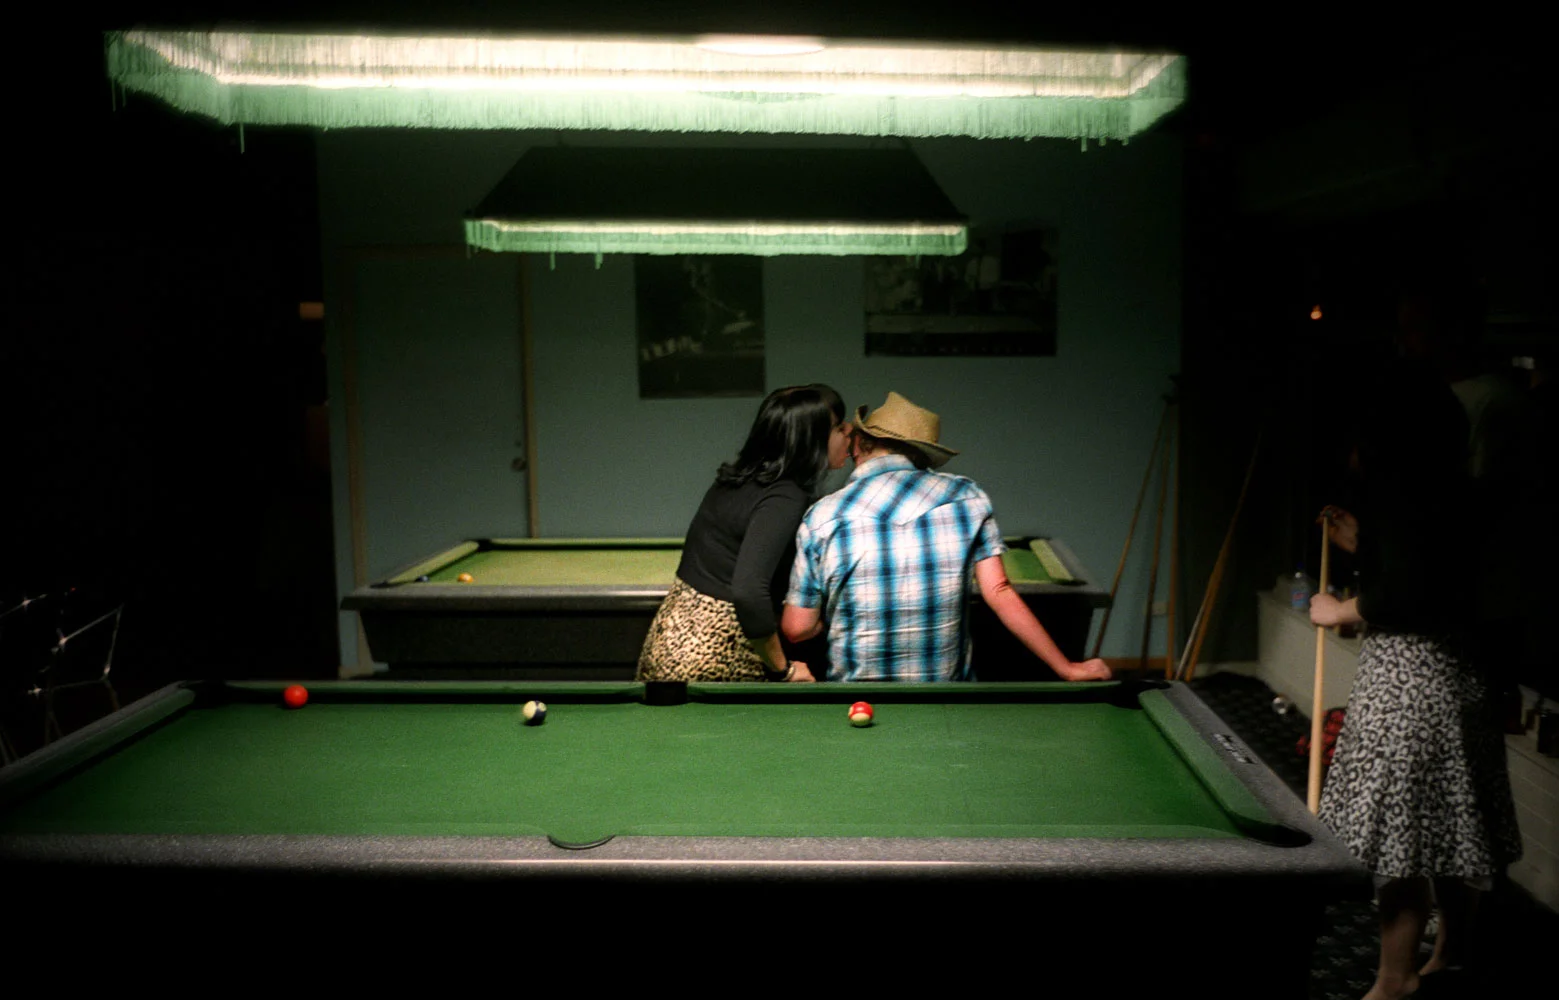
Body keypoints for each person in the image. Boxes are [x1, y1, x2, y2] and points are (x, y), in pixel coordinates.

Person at [1309, 359, 1522, 1000]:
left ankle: (1394, 978)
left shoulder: (1401, 495)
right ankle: (1451, 951)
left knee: (1400, 836)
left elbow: (1404, 595)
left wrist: (1337, 609)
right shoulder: (1463, 490)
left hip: (1409, 684)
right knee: (1449, 822)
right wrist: (1365, 541)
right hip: (1461, 679)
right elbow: (1436, 568)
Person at [781, 391, 1111, 683]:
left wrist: (833, 619)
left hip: (857, 700)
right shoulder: (966, 497)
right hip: (946, 696)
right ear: (923, 453)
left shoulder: (822, 515)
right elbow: (999, 591)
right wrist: (1067, 668)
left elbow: (797, 628)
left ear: (860, 444)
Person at [636, 384, 852, 683]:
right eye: (839, 427)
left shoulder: (735, 480)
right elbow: (749, 592)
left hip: (668, 642)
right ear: (810, 440)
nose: (849, 431)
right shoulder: (785, 496)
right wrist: (785, 670)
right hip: (714, 654)